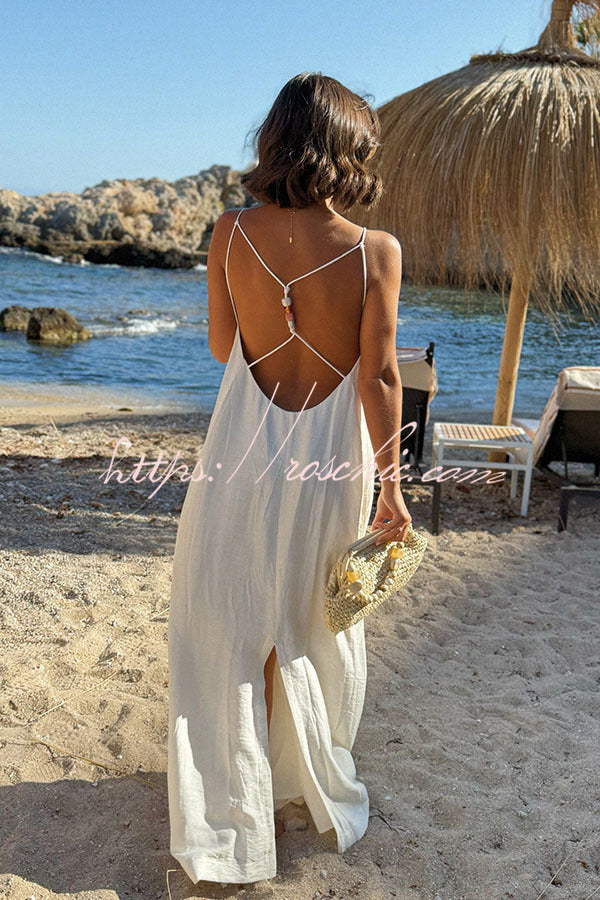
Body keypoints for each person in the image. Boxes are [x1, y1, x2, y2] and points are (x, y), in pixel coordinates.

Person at [167, 70, 411, 887]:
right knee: (308, 621)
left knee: (227, 620)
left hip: (241, 450)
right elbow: (379, 377)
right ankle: (287, 782)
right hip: (331, 461)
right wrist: (393, 488)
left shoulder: (229, 233)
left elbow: (221, 347)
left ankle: (232, 796)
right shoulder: (376, 251)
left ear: (276, 139)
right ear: (348, 147)